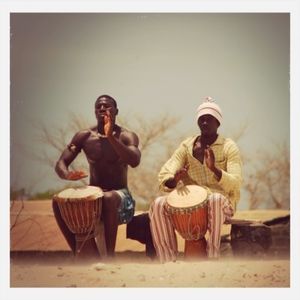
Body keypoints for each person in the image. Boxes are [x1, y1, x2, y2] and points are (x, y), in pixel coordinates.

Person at [149, 97, 243, 263]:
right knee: (158, 204)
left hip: (223, 204)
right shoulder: (186, 147)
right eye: (202, 119)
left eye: (209, 119)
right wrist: (174, 179)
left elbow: (236, 183)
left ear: (218, 122)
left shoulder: (229, 146)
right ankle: (167, 259)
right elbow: (165, 174)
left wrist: (214, 168)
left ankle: (213, 256)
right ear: (197, 122)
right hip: (192, 206)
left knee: (214, 199)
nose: (205, 122)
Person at [53, 94, 141, 257]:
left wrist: (110, 138)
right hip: (94, 199)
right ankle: (77, 253)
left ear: (116, 111)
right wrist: (67, 174)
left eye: (107, 106)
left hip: (121, 200)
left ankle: (110, 257)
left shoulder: (127, 136)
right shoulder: (84, 136)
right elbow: (60, 163)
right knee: (58, 202)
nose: (102, 108)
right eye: (98, 106)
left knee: (108, 197)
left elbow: (135, 160)